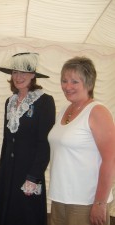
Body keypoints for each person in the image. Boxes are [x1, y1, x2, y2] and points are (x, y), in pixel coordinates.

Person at [0, 52, 56, 225]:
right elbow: (6, 139)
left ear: (33, 75)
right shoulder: (9, 102)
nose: (18, 77)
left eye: (24, 72)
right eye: (15, 72)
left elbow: (44, 144)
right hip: (8, 172)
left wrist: (34, 177)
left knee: (26, 217)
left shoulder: (45, 102)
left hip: (28, 173)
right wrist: (2, 168)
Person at [48, 56, 115, 225]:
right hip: (60, 197)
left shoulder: (98, 111)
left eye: (74, 82)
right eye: (64, 81)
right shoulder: (64, 110)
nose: (67, 86)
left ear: (89, 83)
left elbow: (110, 160)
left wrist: (99, 203)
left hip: (85, 201)